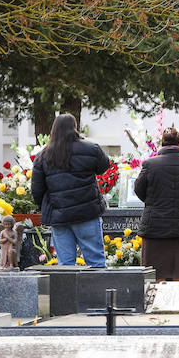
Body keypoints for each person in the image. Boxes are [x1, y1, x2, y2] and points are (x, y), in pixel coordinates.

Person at [31, 113, 112, 267]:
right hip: (87, 213)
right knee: (96, 262)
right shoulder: (90, 148)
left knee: (65, 265)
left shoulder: (43, 155)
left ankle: (66, 292)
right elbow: (104, 167)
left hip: (59, 216)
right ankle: (97, 291)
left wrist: (47, 207)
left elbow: (36, 190)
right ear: (75, 128)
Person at [133, 127, 179, 280]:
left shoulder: (150, 164)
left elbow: (138, 189)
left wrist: (152, 202)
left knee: (154, 279)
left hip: (154, 227)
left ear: (161, 144)